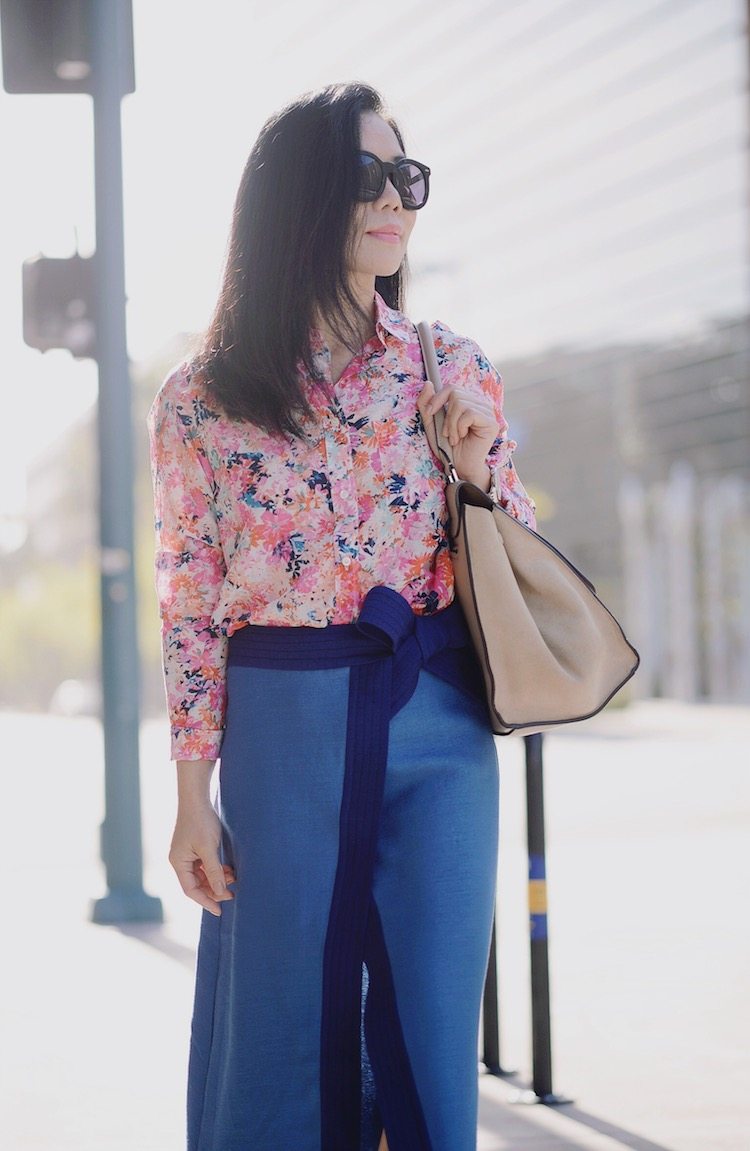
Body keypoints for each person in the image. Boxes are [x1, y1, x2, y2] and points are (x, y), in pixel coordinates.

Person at [148, 80, 536, 1151]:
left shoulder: (448, 363)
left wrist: (475, 470)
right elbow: (189, 600)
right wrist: (189, 794)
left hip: (437, 719)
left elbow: (515, 553)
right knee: (282, 1013)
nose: (395, 200)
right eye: (368, 175)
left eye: (407, 177)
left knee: (430, 1009)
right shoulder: (201, 395)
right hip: (283, 729)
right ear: (298, 196)